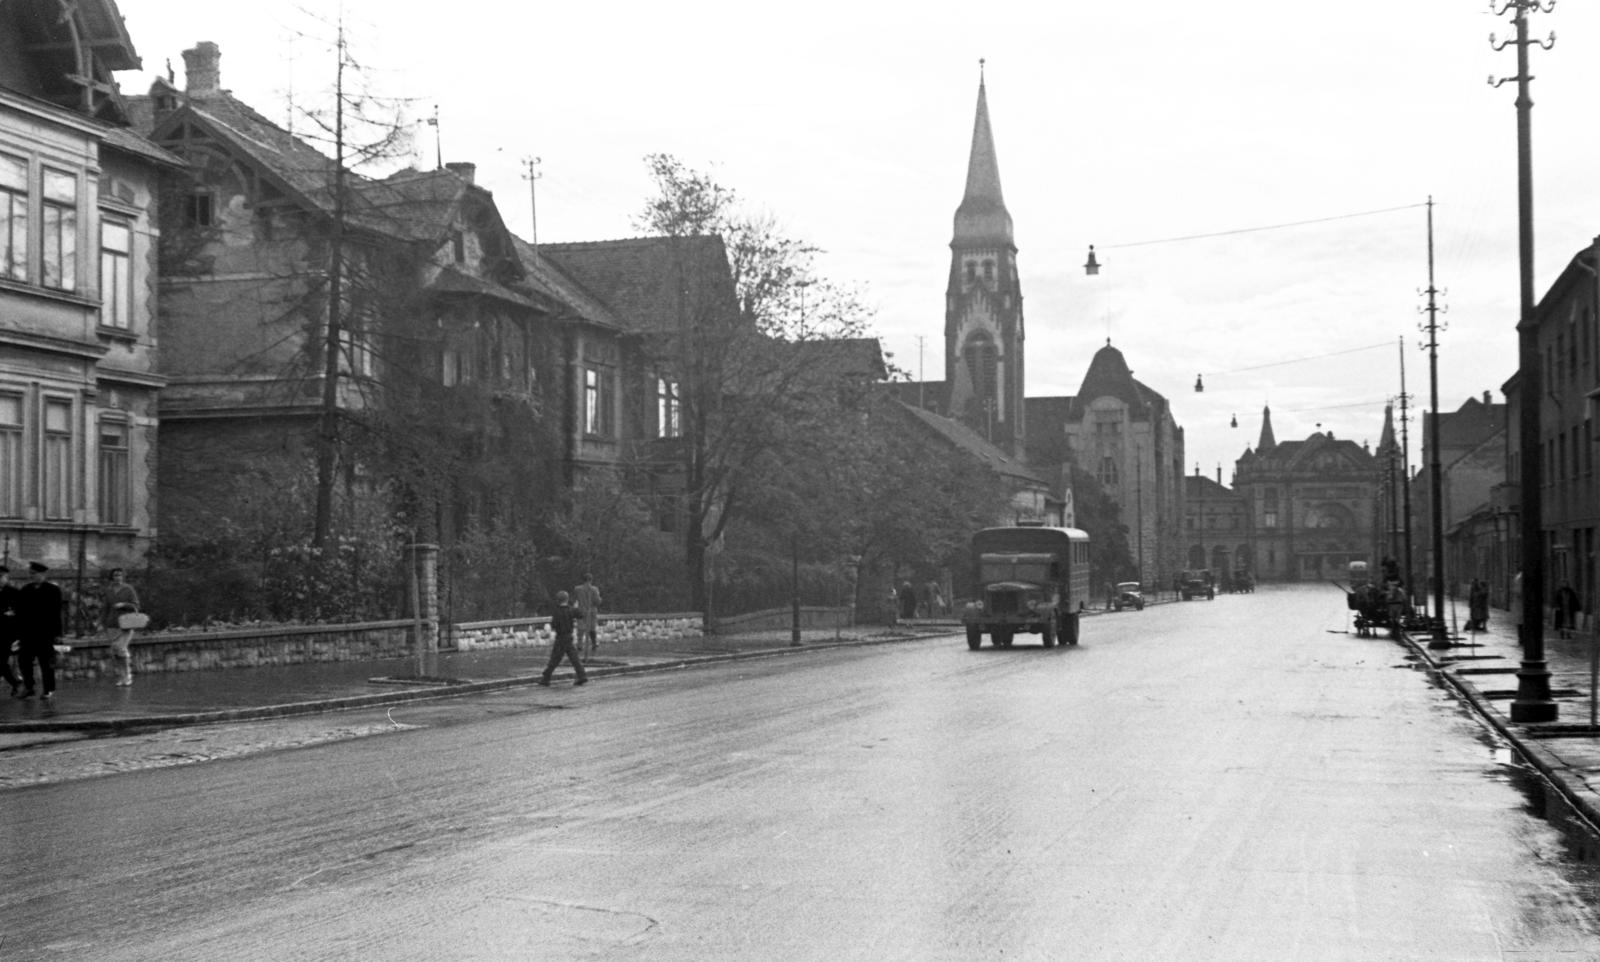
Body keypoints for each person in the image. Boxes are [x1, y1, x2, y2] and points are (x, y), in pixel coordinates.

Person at [14, 561, 63, 702]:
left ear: (43, 574)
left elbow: (56, 613)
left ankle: (48, 689)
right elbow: (20, 613)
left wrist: (58, 634)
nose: (31, 576)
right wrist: (19, 634)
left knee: (46, 663)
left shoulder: (52, 590)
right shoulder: (25, 590)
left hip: (45, 633)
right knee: (24, 660)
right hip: (28, 633)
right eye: (30, 573)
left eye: (34, 573)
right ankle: (29, 686)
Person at [538, 590, 588, 687]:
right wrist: (577, 607)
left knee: (555, 658)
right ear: (567, 599)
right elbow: (581, 615)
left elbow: (554, 625)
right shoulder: (571, 610)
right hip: (569, 636)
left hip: (560, 637)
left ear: (558, 600)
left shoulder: (556, 612)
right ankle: (581, 675)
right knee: (574, 658)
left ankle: (546, 678)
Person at [103, 567, 141, 686]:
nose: (118, 577)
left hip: (126, 624)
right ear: (112, 577)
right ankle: (121, 676)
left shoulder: (128, 589)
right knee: (115, 651)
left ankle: (128, 674)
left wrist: (124, 604)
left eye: (120, 575)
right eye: (115, 575)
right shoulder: (109, 590)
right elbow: (105, 608)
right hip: (112, 623)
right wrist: (101, 622)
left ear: (123, 577)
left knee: (120, 648)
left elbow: (136, 605)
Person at [572, 572, 602, 663]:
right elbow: (597, 601)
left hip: (581, 610)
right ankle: (594, 643)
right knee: (592, 628)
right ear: (591, 580)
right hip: (591, 611)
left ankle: (580, 644)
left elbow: (574, 599)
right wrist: (600, 599)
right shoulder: (594, 589)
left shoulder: (577, 589)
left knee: (580, 628)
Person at [0, 566, 20, 697]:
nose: (4, 579)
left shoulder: (13, 592)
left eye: (5, 577)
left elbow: (19, 612)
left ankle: (15, 683)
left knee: (1, 662)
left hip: (7, 634)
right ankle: (16, 683)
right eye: (2, 577)